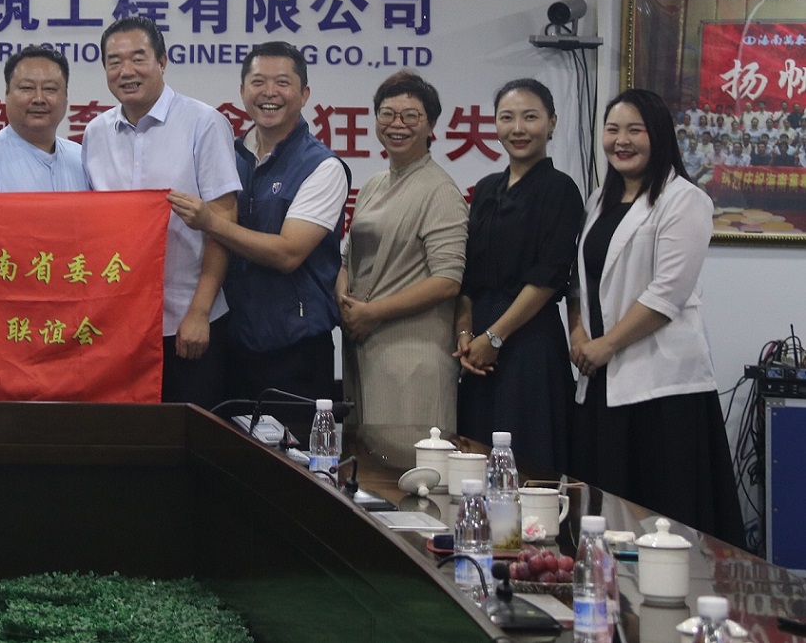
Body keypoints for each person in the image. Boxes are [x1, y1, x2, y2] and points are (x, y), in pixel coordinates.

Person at [568, 88, 744, 545]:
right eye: (612, 130)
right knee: (606, 516)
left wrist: (606, 345)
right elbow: (579, 280)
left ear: (659, 135)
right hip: (601, 379)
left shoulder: (685, 199)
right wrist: (577, 332)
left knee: (663, 523)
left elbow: (668, 293)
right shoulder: (598, 200)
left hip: (661, 389)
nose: (621, 141)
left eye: (635, 130)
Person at [168, 41, 349, 406]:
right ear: (242, 92)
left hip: (296, 350)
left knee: (294, 446)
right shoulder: (230, 155)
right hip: (230, 343)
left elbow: (288, 253)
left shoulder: (322, 167)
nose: (269, 93)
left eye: (282, 82)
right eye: (258, 82)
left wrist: (211, 222)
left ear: (304, 94)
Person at [82, 16, 240, 406]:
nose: (126, 71)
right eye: (114, 62)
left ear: (162, 61)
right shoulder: (95, 133)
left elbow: (223, 224)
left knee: (191, 437)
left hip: (188, 322)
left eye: (138, 58)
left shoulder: (204, 123)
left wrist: (199, 313)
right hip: (119, 327)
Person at [453, 78, 583, 474]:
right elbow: (467, 274)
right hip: (479, 350)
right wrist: (465, 334)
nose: (518, 129)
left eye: (530, 117)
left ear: (552, 122)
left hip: (529, 341)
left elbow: (549, 277)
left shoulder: (560, 190)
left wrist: (495, 337)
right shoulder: (486, 189)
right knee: (475, 463)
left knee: (528, 465)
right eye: (507, 118)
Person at [337, 69, 467, 430]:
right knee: (368, 458)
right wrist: (344, 300)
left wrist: (372, 312)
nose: (397, 124)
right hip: (364, 346)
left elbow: (447, 281)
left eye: (411, 116)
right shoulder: (373, 184)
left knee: (409, 461)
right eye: (387, 114)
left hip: (413, 356)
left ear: (431, 125)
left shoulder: (440, 191)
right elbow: (348, 258)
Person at [0, 46, 88, 193]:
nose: (38, 99)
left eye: (50, 88)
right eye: (27, 88)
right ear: (7, 93)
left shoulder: (81, 159)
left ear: (66, 97)